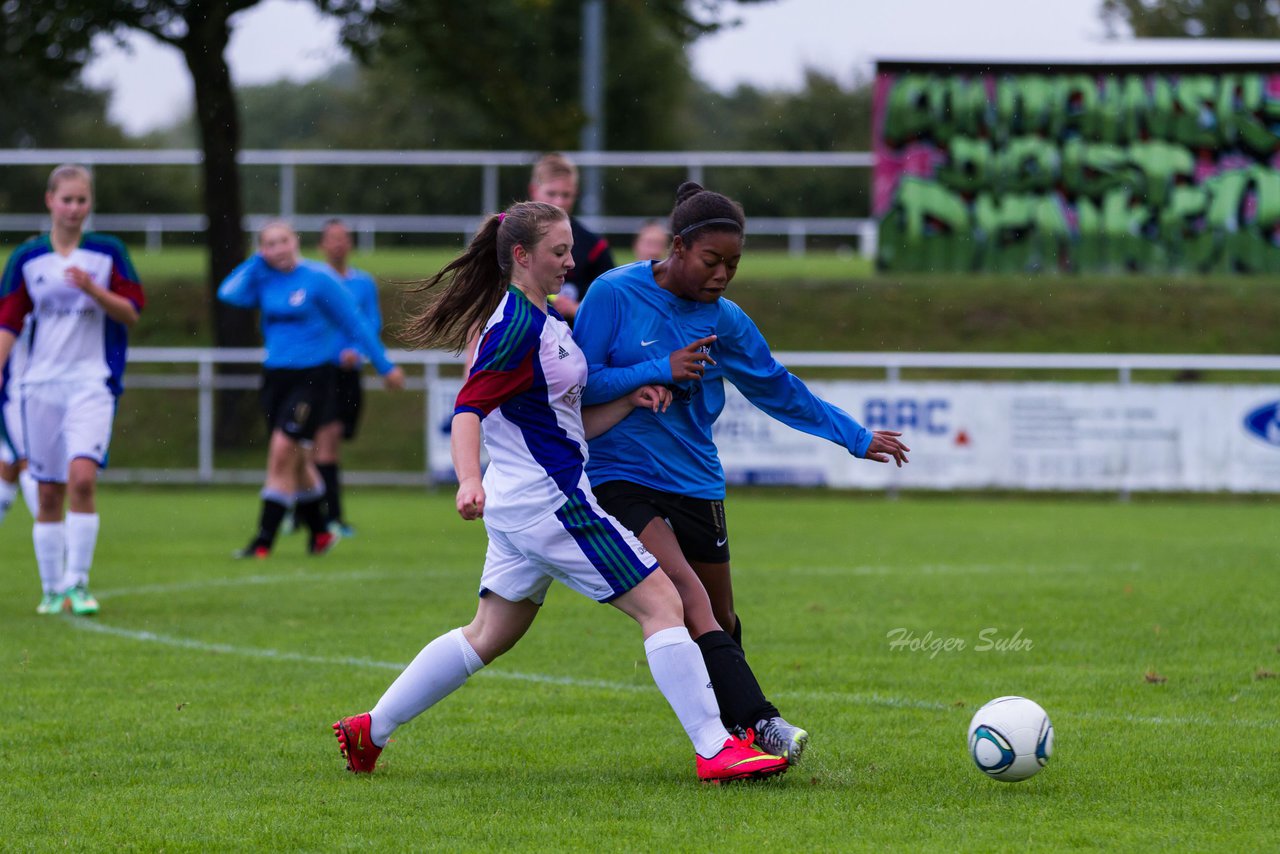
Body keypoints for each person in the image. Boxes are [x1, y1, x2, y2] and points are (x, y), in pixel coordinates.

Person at [331, 201, 788, 784]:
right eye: (559, 252)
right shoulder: (517, 326)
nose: (571, 261)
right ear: (521, 256)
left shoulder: (543, 320)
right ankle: (714, 747)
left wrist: (628, 398)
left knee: (488, 633)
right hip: (550, 501)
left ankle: (371, 729)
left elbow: (560, 423)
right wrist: (467, 480)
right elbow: (468, 409)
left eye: (571, 249)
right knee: (663, 603)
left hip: (521, 502)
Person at [573, 182, 911, 759]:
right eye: (712, 260)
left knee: (721, 614)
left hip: (695, 476)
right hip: (619, 472)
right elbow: (579, 386)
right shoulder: (613, 293)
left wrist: (853, 437)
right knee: (685, 593)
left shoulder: (725, 321)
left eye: (733, 263)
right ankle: (759, 724)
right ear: (678, 247)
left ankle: (733, 729)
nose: (723, 274)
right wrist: (657, 368)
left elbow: (777, 387)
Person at [0, 164, 146, 616]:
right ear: (50, 201)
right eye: (67, 199)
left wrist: (94, 291)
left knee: (82, 478)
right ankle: (51, 589)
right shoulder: (27, 259)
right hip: (39, 387)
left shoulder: (107, 253)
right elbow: (8, 322)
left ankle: (78, 584)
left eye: (82, 200)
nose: (74, 208)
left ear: (89, 204)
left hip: (91, 383)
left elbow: (131, 313)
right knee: (48, 491)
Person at [218, 221, 405, 559]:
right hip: (275, 377)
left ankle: (262, 541)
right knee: (300, 459)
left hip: (312, 379)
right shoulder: (264, 278)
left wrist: (385, 367)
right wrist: (255, 262)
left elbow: (356, 322)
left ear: (296, 241)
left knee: (280, 451)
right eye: (269, 244)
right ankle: (320, 532)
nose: (278, 248)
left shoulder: (318, 279)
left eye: (283, 241)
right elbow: (228, 293)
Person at [312, 218, 382, 537]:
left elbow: (371, 324)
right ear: (321, 245)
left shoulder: (363, 284)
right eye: (332, 238)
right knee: (325, 443)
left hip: (349, 374)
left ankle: (304, 507)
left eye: (344, 238)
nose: (338, 243)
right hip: (320, 373)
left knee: (328, 441)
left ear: (350, 243)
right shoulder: (313, 280)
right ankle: (332, 518)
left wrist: (357, 350)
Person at [527, 153, 615, 324]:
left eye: (566, 195)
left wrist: (576, 308)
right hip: (520, 344)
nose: (558, 202)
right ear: (533, 190)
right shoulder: (509, 237)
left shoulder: (594, 247)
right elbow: (483, 305)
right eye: (551, 193)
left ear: (575, 194)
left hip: (573, 344)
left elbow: (613, 308)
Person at [0, 320, 38, 528]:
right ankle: (56, 534)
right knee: (30, 459)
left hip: (42, 396)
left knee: (9, 466)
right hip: (13, 397)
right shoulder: (11, 300)